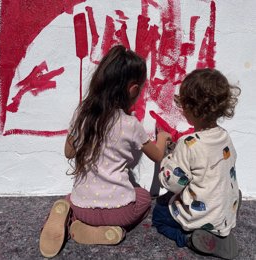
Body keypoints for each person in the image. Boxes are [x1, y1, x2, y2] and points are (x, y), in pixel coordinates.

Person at [39, 45, 170, 258]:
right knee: (143, 197)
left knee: (71, 198)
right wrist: (162, 138)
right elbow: (158, 155)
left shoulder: (83, 114)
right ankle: (98, 230)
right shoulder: (131, 124)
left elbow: (69, 153)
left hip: (83, 207)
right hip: (120, 213)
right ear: (133, 89)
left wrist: (75, 129)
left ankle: (71, 218)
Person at [152, 68, 241, 260]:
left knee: (159, 214)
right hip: (223, 211)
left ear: (190, 109)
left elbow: (173, 183)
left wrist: (168, 157)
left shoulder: (188, 143)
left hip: (200, 216)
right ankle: (222, 220)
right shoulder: (224, 136)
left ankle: (190, 239)